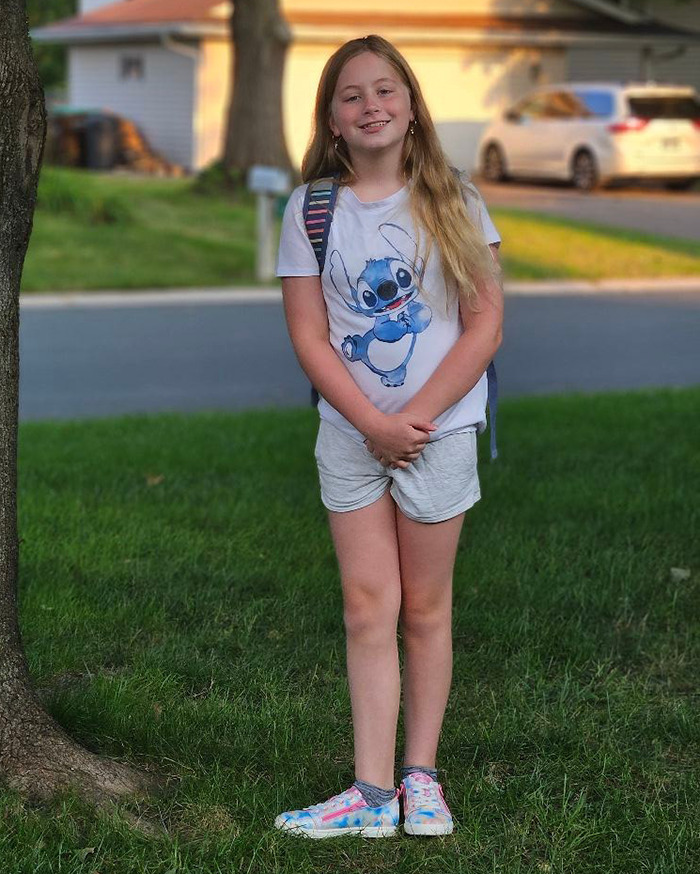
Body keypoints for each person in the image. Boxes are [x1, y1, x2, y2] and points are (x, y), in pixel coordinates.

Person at [274, 34, 503, 839]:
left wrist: (416, 421)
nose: (370, 104)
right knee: (368, 607)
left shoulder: (458, 201)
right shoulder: (310, 209)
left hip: (438, 436)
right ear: (332, 120)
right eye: (351, 95)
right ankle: (371, 797)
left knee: (426, 609)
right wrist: (371, 423)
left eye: (385, 90)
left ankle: (422, 779)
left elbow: (484, 327)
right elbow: (308, 335)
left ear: (410, 107)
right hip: (349, 437)